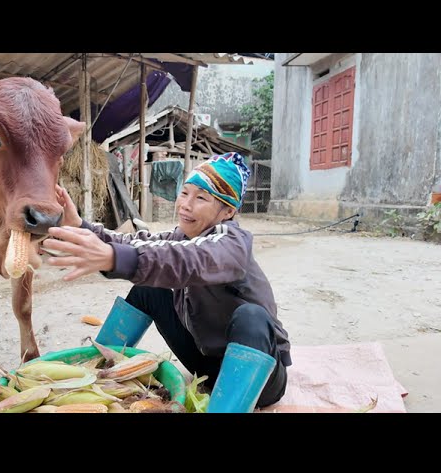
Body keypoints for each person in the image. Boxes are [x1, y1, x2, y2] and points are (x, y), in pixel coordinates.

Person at [43, 152, 291, 409]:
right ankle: (98, 372)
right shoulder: (182, 235)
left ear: (228, 210)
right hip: (206, 363)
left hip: (261, 378)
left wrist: (115, 258)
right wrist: (82, 226)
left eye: (201, 198)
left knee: (251, 316)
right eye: (184, 193)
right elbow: (140, 242)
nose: (186, 204)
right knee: (148, 289)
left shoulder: (233, 244)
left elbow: (186, 259)